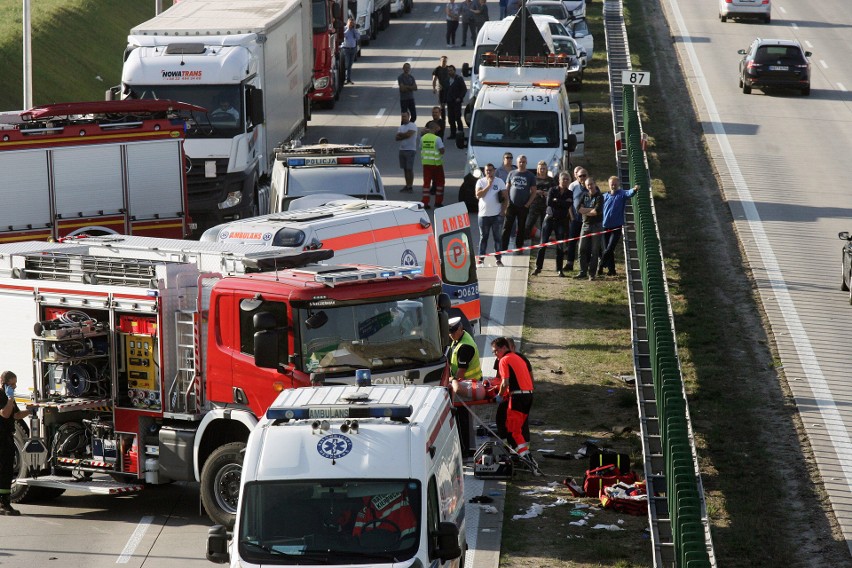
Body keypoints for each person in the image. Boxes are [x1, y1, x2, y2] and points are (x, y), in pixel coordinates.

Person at [491, 337, 539, 474]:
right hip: (528, 396)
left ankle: (528, 459)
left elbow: (504, 382)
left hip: (517, 397)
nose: (495, 355)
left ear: (502, 348)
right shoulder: (518, 358)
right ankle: (524, 455)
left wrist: (499, 395)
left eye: (495, 351)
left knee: (512, 431)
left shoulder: (504, 360)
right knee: (517, 430)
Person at [448, 316, 482, 456]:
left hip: (468, 385)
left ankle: (467, 450)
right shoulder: (459, 339)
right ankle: (465, 448)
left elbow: (460, 374)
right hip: (463, 383)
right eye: (450, 333)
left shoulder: (465, 346)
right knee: (462, 418)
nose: (451, 335)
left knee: (464, 419)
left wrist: (451, 379)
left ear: (460, 328)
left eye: (453, 332)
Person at [533, 171, 573, 276]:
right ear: (559, 180)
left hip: (561, 221)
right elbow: (549, 203)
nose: (565, 181)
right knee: (543, 243)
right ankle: (538, 267)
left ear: (569, 181)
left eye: (567, 179)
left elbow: (567, 205)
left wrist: (557, 201)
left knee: (560, 245)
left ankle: (559, 269)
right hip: (549, 219)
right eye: (563, 179)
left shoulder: (570, 193)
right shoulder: (552, 190)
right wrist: (561, 202)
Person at [1, 371, 28, 516]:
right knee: (3, 471)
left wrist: (29, 411)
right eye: (12, 384)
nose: (15, 386)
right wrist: (10, 399)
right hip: (1, 438)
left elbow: (15, 415)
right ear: (3, 384)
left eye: (15, 384)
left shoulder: (8, 397)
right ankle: (3, 504)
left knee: (7, 472)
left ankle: (4, 503)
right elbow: (5, 414)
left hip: (7, 438)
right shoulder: (2, 396)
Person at [600, 176, 639, 276]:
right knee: (607, 249)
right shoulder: (604, 196)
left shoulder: (621, 194)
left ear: (618, 184)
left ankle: (600, 265)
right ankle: (611, 270)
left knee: (609, 248)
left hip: (616, 227)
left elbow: (629, 193)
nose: (613, 185)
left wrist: (634, 190)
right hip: (605, 226)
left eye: (615, 183)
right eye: (611, 183)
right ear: (609, 184)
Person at [500, 155, 537, 253]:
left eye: (524, 162)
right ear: (517, 163)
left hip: (523, 206)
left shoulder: (530, 175)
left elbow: (534, 191)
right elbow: (506, 189)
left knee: (521, 227)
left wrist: (528, 204)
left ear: (526, 163)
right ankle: (503, 248)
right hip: (511, 205)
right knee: (506, 227)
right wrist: (506, 203)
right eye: (520, 162)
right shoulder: (512, 173)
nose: (522, 163)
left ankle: (519, 247)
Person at [352, 489, 417, 541]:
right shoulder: (403, 493)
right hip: (404, 546)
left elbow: (357, 539)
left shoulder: (365, 511)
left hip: (401, 547)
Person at [475, 163, 506, 266]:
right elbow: (478, 195)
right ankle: (481, 259)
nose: (489, 172)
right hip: (483, 216)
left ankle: (498, 259)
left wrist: (503, 211)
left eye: (491, 170)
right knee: (483, 237)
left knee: (497, 238)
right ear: (484, 171)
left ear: (494, 170)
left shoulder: (500, 181)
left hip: (497, 215)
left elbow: (505, 197)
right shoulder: (481, 181)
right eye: (487, 170)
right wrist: (488, 185)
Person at [575, 175, 604, 280]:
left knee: (594, 250)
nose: (590, 186)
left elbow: (596, 212)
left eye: (591, 184)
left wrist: (586, 210)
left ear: (595, 184)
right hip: (585, 225)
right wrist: (590, 210)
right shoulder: (584, 195)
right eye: (588, 185)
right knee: (581, 248)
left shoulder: (600, 197)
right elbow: (579, 209)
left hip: (596, 226)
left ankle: (592, 274)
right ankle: (582, 271)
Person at [525, 160, 554, 245]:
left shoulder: (551, 180)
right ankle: (526, 239)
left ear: (546, 169)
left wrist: (547, 193)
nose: (542, 170)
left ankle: (544, 240)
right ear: (537, 169)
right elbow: (527, 190)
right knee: (529, 223)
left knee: (545, 224)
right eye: (540, 168)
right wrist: (537, 192)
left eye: (544, 168)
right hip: (534, 204)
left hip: (546, 205)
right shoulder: (533, 179)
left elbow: (555, 191)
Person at [565, 167, 588, 272]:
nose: (582, 177)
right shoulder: (573, 186)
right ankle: (569, 263)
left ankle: (584, 266)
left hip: (587, 221)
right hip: (575, 219)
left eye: (584, 175)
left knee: (585, 244)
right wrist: (572, 217)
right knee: (572, 242)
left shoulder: (591, 186)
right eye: (580, 176)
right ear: (577, 177)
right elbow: (569, 202)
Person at [420, 121, 445, 209]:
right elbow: (442, 150)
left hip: (426, 164)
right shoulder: (437, 139)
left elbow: (421, 147)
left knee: (426, 184)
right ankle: (438, 202)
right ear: (434, 128)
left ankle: (425, 202)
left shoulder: (423, 138)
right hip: (436, 164)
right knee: (440, 183)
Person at [395, 110, 418, 193]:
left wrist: (402, 135)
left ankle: (410, 186)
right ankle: (407, 184)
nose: (403, 118)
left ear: (409, 116)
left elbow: (409, 135)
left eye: (405, 116)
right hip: (402, 150)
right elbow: (397, 138)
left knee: (409, 169)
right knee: (405, 169)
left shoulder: (412, 125)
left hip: (410, 150)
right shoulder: (401, 127)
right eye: (402, 116)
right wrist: (404, 135)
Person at [445, 65, 467, 139]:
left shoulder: (459, 79)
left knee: (457, 117)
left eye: (451, 70)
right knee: (451, 118)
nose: (450, 72)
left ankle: (461, 134)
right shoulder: (447, 79)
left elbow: (464, 89)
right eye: (448, 70)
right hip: (449, 101)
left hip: (457, 102)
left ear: (454, 70)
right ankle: (453, 134)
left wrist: (460, 97)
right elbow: (444, 90)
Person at [432, 56, 450, 121]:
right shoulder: (437, 69)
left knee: (450, 104)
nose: (444, 62)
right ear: (440, 61)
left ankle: (451, 119)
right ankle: (443, 120)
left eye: (445, 61)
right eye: (443, 61)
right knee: (442, 106)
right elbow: (434, 79)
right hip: (441, 90)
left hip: (448, 89)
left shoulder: (448, 68)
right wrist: (434, 88)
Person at [341, 18, 359, 85]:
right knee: (346, 64)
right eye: (350, 23)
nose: (351, 24)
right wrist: (348, 29)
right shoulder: (345, 29)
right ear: (348, 23)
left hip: (353, 49)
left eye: (352, 23)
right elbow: (343, 35)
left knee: (350, 65)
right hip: (346, 49)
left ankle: (349, 79)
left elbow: (358, 37)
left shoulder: (354, 30)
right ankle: (345, 79)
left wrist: (354, 30)